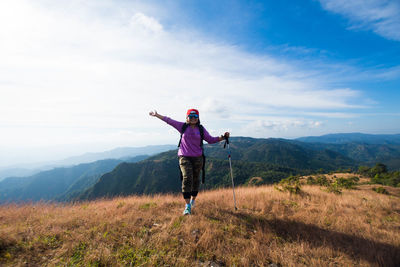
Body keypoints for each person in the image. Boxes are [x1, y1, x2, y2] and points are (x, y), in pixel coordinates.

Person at [149, 109, 229, 215]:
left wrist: (223, 137)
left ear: (198, 118)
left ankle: (192, 201)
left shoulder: (200, 129)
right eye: (190, 116)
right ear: (187, 117)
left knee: (196, 180)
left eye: (195, 116)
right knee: (187, 178)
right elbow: (169, 120)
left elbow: (210, 139)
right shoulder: (182, 126)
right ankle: (187, 206)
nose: (193, 118)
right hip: (184, 156)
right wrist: (157, 115)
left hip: (198, 158)